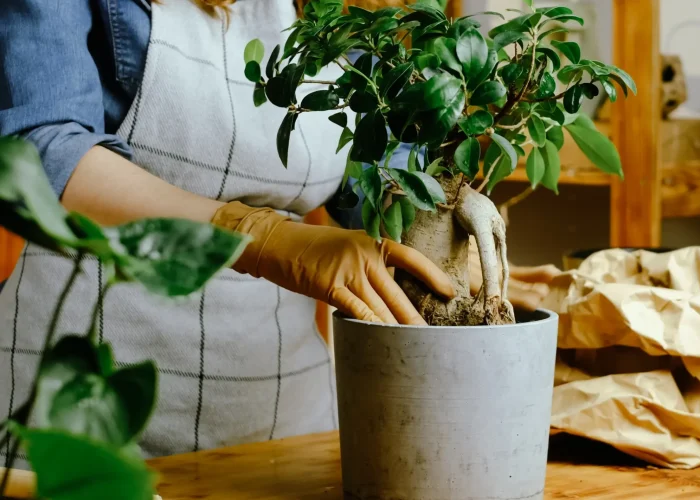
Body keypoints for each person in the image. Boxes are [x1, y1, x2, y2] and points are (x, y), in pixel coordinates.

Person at [0, 0, 560, 465]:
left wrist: (445, 216)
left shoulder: (328, 15)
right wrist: (254, 236)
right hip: (89, 425)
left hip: (285, 432)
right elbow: (39, 149)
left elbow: (369, 180)